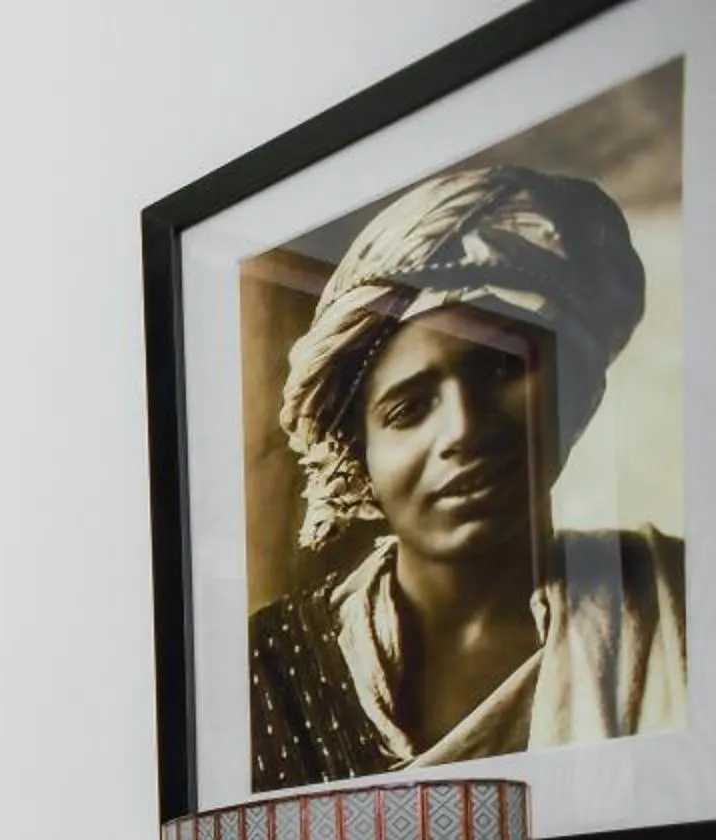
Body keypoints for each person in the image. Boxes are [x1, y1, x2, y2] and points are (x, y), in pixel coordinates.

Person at [250, 164, 686, 789]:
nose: (464, 429)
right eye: (408, 409)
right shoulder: (270, 671)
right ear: (357, 457)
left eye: (501, 371)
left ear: (575, 391)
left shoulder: (679, 599)